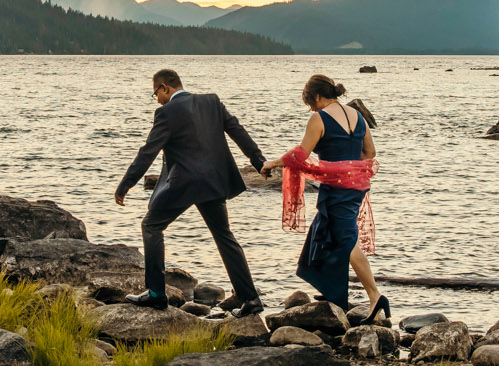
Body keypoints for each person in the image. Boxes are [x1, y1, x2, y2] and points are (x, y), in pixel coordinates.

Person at [114, 68, 269, 312]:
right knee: (225, 237)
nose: (157, 99)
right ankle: (250, 298)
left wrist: (126, 184)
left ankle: (156, 293)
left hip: (184, 184)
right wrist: (259, 162)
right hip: (214, 182)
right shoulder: (212, 102)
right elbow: (238, 131)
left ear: (165, 87)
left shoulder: (166, 112)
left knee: (151, 226)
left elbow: (148, 152)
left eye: (156, 94)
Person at [264, 74, 385, 322]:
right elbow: (370, 152)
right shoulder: (357, 115)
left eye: (310, 101)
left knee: (346, 239)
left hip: (338, 189)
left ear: (318, 96)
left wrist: (273, 163)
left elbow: (300, 155)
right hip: (355, 187)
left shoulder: (319, 118)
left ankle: (375, 297)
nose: (309, 107)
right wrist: (350, 171)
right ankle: (331, 290)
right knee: (325, 230)